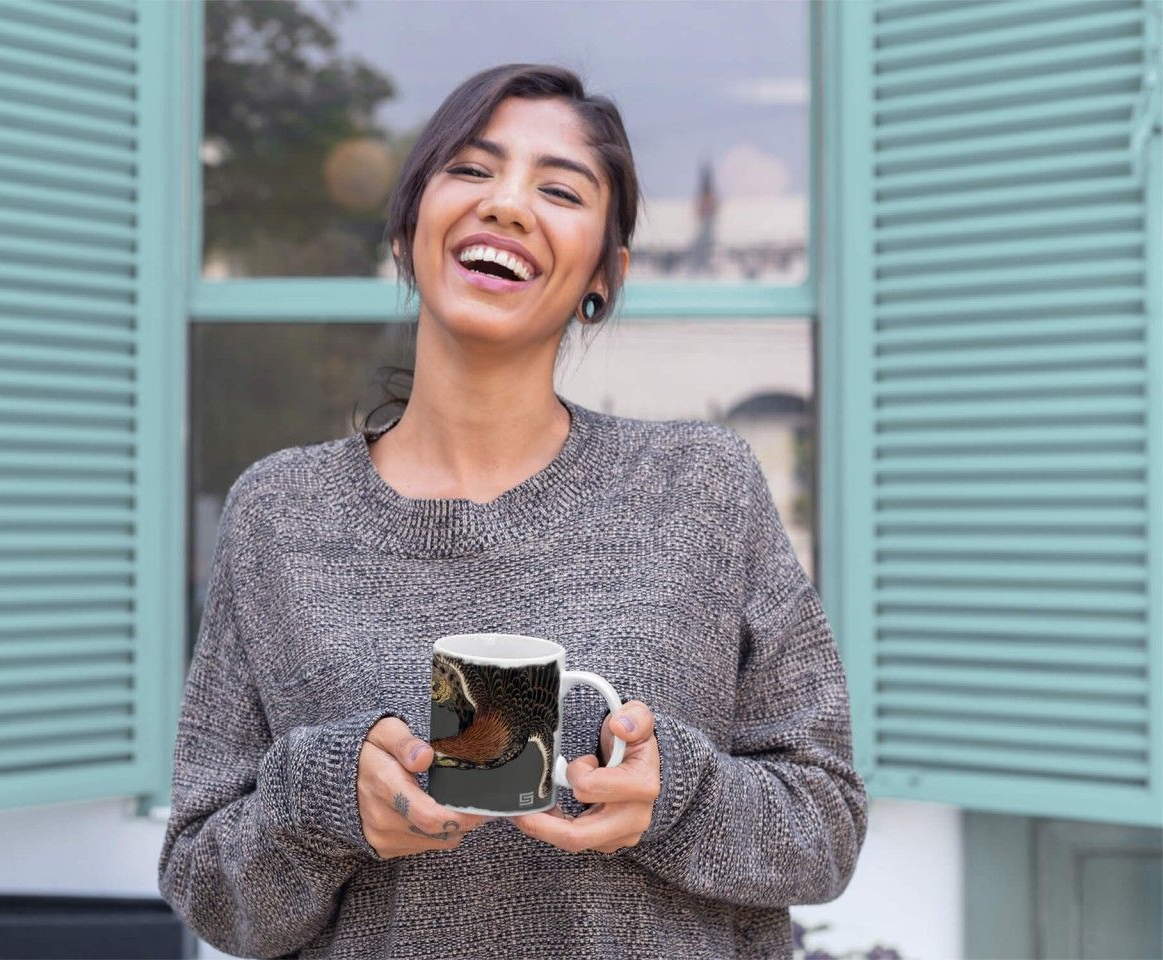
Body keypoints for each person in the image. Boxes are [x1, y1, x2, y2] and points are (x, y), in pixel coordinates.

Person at [158, 62, 868, 960]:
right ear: (410, 224)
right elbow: (205, 884)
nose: (507, 204)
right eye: (471, 169)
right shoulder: (279, 516)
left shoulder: (701, 488)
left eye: (560, 189)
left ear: (603, 275)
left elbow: (828, 827)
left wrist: (673, 799)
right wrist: (326, 803)